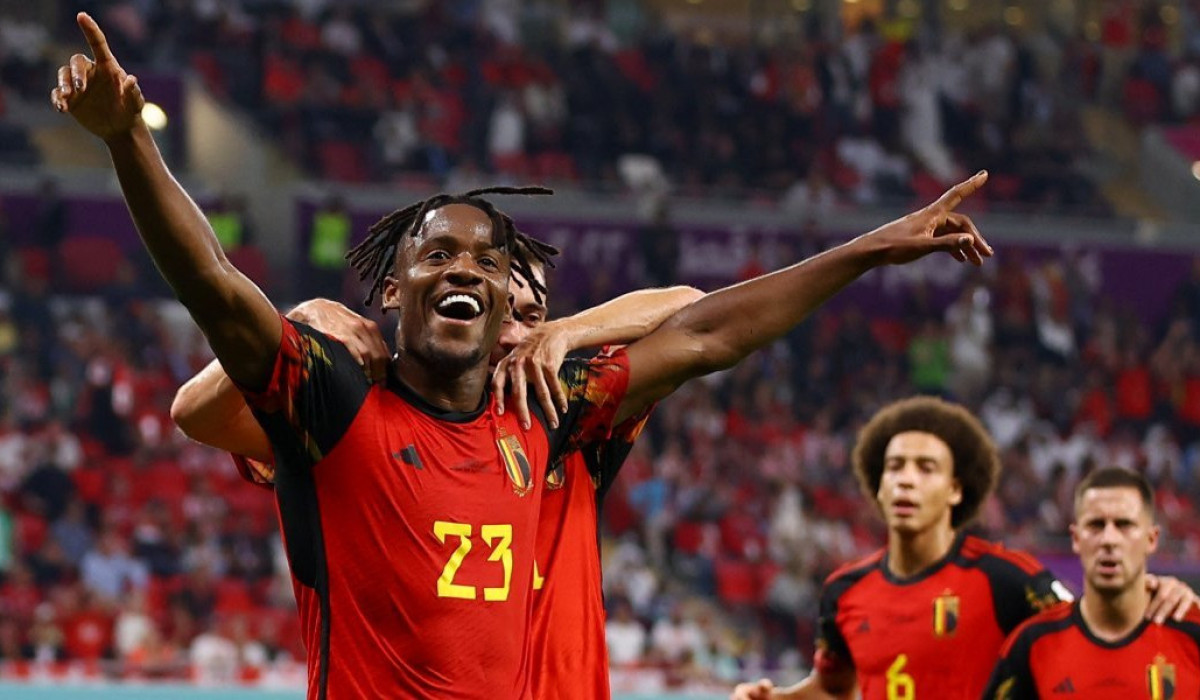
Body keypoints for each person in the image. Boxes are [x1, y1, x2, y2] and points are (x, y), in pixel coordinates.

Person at [56, 13, 995, 696]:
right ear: (392, 288)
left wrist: (871, 248)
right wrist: (127, 141)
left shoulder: (549, 406)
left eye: (488, 263)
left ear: (513, 301)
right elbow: (213, 288)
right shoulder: (335, 397)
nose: (464, 270)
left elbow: (708, 329)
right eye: (437, 255)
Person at [172, 266, 704, 700]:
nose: (516, 335)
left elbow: (691, 308)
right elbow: (195, 412)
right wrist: (294, 324)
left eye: (533, 318)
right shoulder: (365, 428)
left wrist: (567, 332)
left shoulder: (572, 414)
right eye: (503, 314)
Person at [731, 398, 1198, 700]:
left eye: (925, 468)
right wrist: (777, 699)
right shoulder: (844, 590)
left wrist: (1152, 589)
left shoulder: (1005, 578)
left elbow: (1085, 627)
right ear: (879, 484)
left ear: (956, 489)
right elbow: (833, 688)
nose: (906, 480)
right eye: (895, 467)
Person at [983, 467, 1200, 698]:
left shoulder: (1192, 633)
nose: (1109, 539)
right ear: (1076, 538)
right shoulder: (1033, 644)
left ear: (1152, 539)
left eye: (1124, 525)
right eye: (1096, 525)